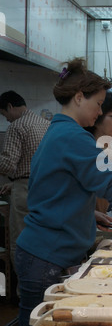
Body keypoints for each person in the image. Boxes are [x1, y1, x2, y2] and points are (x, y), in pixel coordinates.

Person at [14, 58, 112, 326]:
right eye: (98, 103)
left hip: (41, 252)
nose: (99, 111)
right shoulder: (74, 137)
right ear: (79, 97)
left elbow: (54, 190)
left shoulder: (57, 131)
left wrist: (89, 212)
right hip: (46, 256)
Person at [0, 91, 50, 272]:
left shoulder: (17, 126)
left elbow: (7, 164)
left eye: (4, 114)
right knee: (43, 238)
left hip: (26, 191)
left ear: (10, 107)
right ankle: (43, 283)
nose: (6, 119)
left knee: (20, 240)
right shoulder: (46, 124)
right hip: (49, 188)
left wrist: (17, 182)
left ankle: (24, 290)